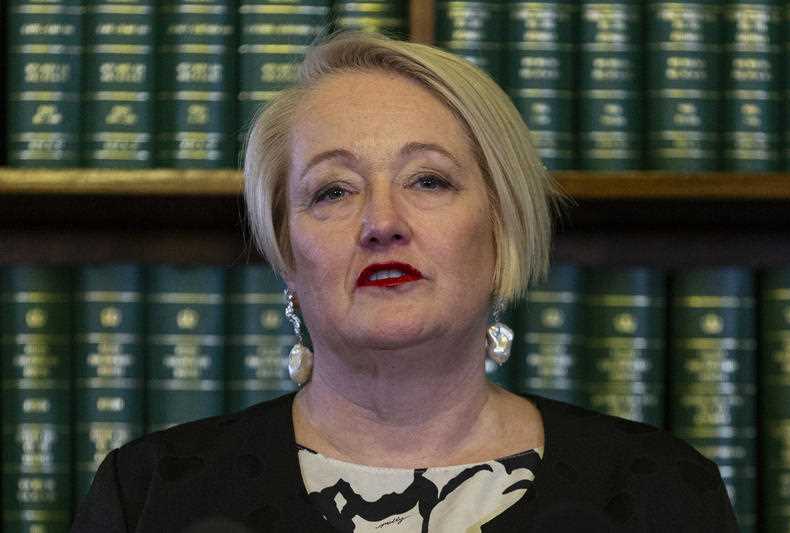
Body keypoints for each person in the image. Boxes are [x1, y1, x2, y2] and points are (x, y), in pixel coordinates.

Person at [73, 32, 738, 532]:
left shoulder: (662, 492)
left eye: (428, 179)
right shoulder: (150, 494)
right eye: (332, 190)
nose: (381, 222)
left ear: (499, 226)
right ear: (287, 252)